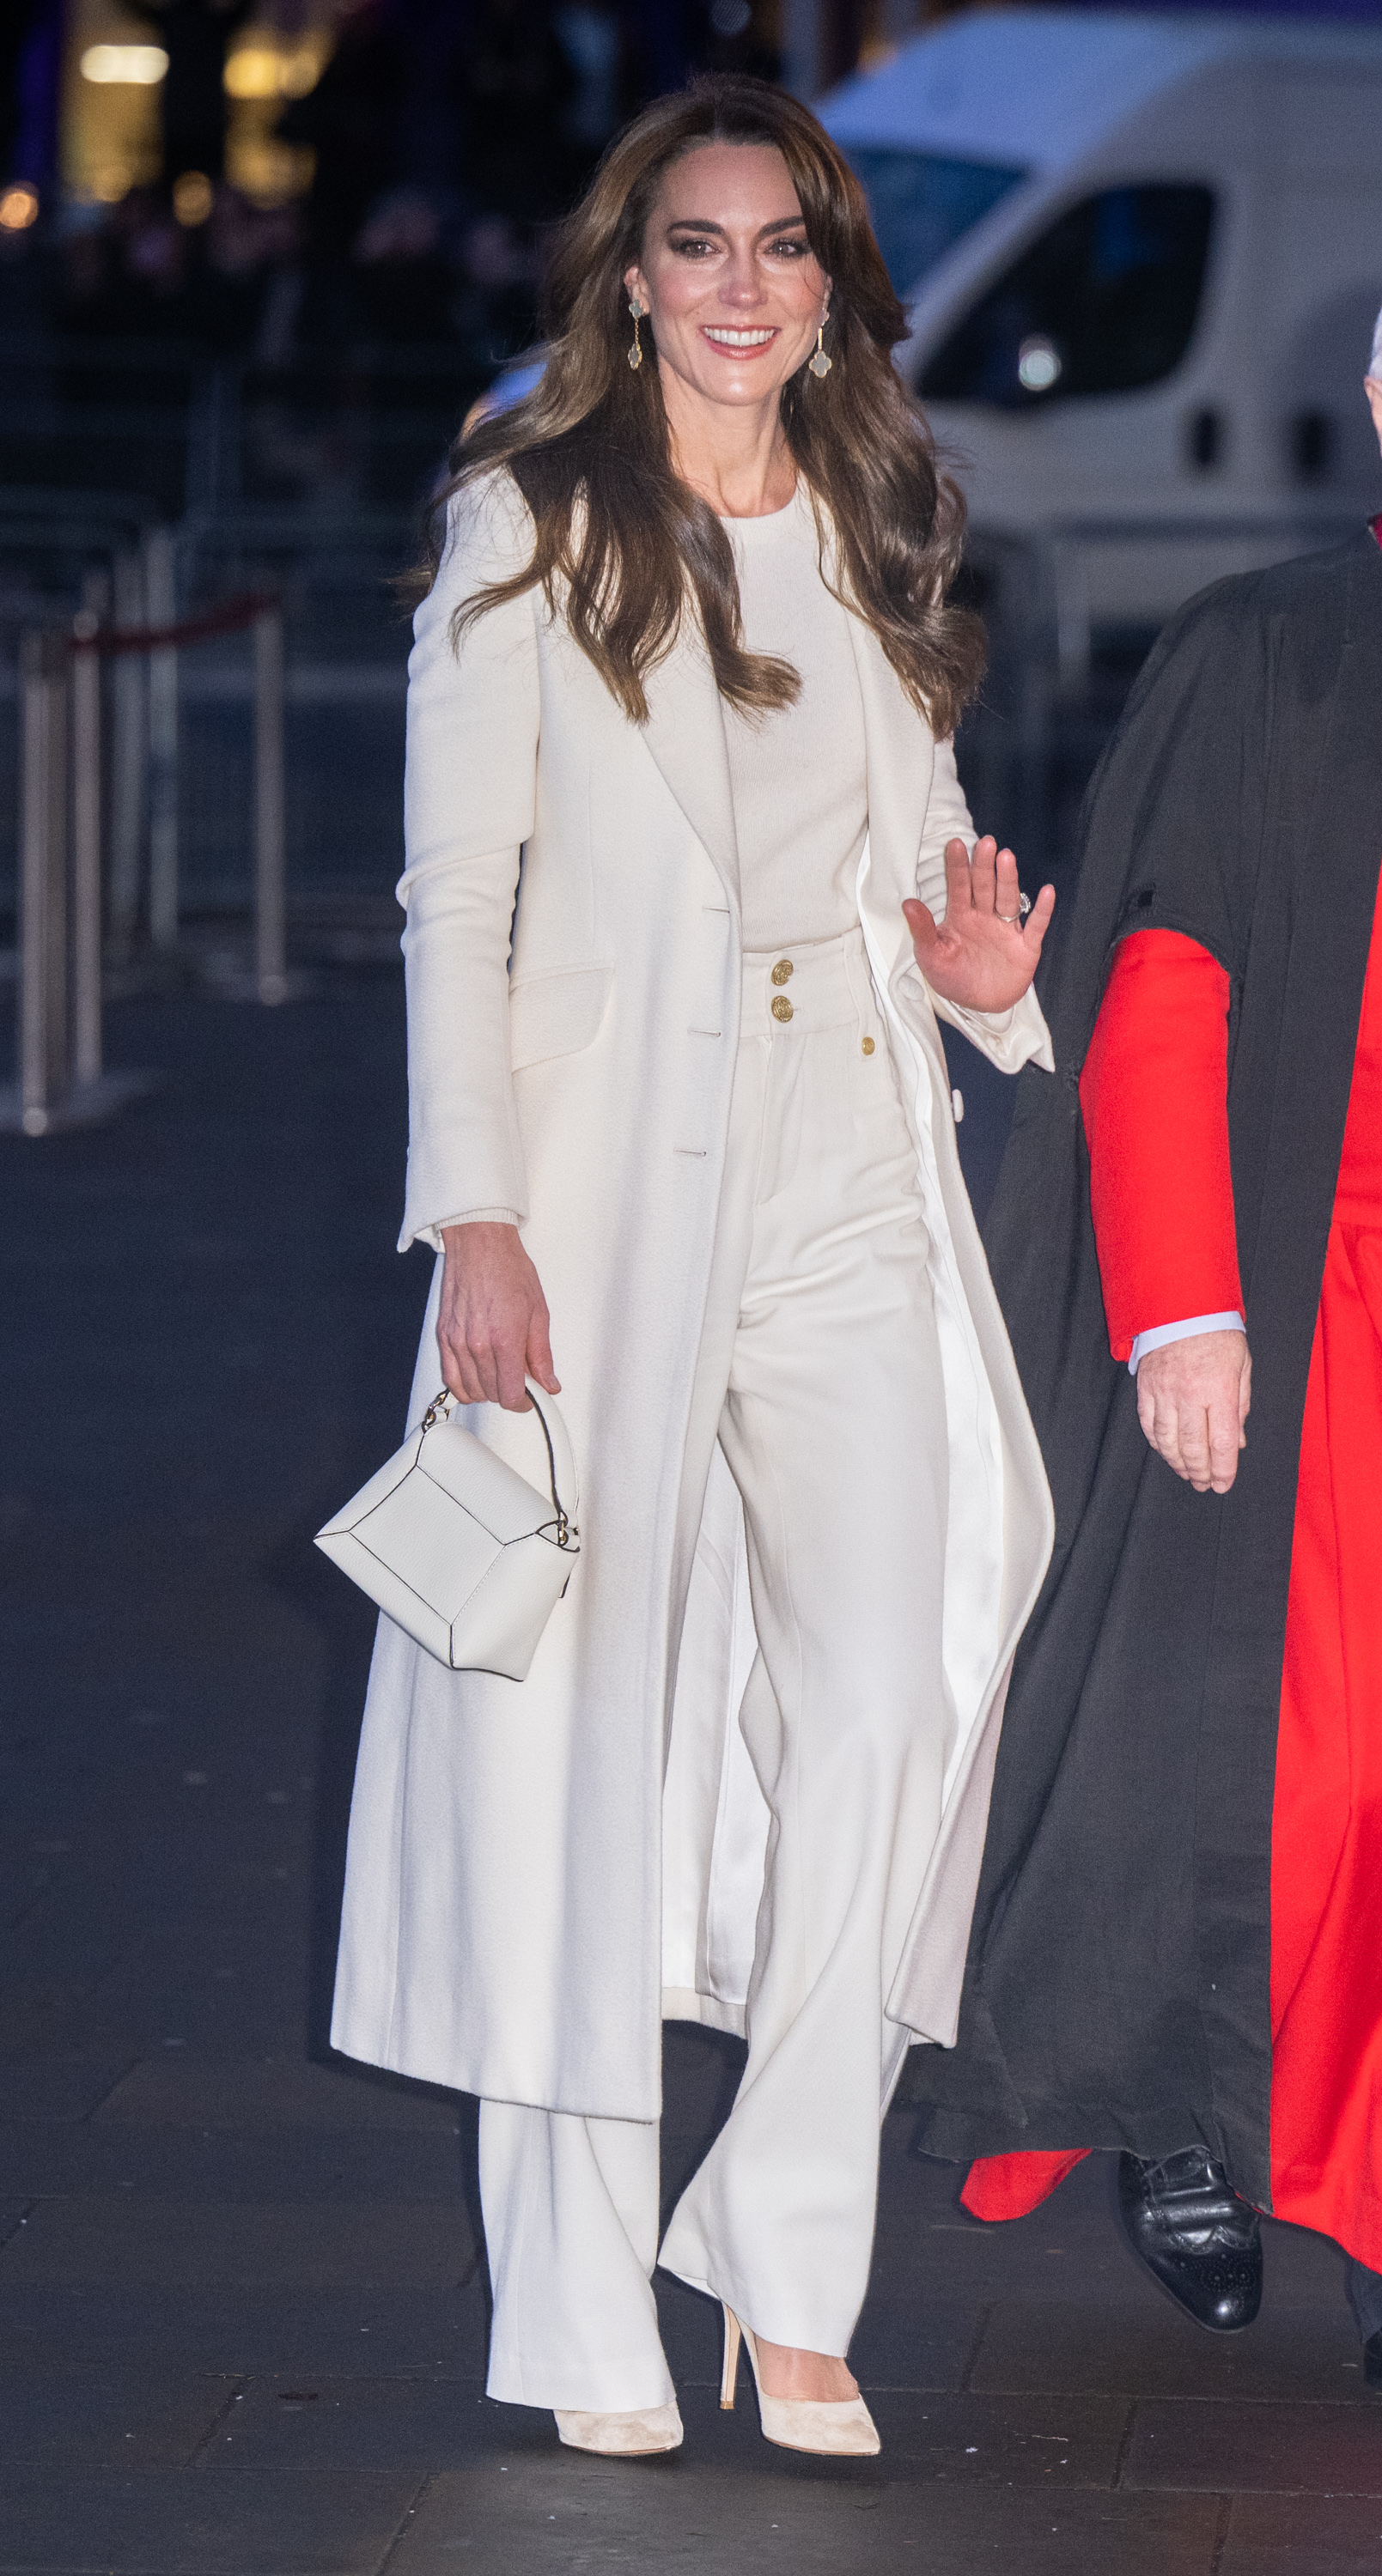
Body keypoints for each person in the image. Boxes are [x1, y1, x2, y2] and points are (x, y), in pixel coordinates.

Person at [329, 74, 1056, 2459]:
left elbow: (924, 853)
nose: (741, 287)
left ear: (831, 287)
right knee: (577, 1730)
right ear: (629, 279)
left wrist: (982, 983)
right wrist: (481, 1223)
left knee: (900, 1676)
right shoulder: (527, 530)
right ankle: (571, 2309)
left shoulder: (868, 522)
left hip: (851, 1157)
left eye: (782, 249)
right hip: (611, 1199)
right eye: (697, 245)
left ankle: (785, 2248)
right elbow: (460, 900)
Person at [906, 313, 1382, 2372]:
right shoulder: (1270, 649)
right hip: (1311, 1290)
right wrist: (1185, 1307)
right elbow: (1161, 984)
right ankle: (1180, 2117)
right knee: (1274, 1765)